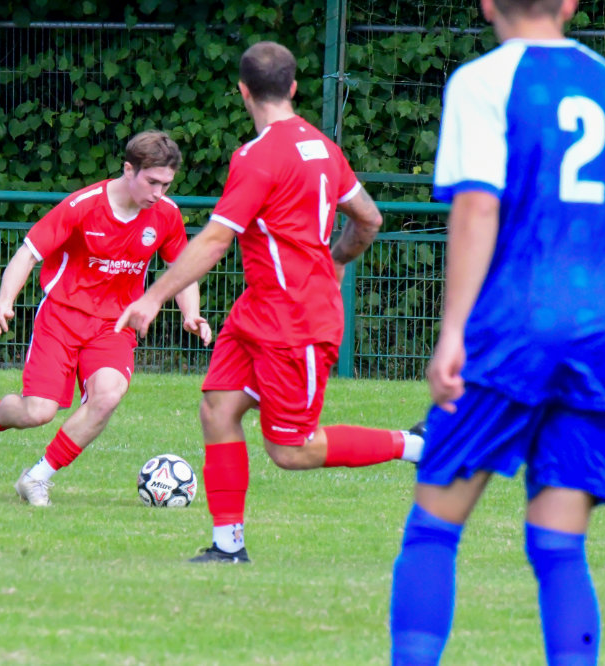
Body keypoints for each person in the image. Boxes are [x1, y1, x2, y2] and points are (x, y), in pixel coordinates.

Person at [387, 1, 605, 663]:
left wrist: (453, 330)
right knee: (559, 547)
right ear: (570, 3)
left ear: (489, 3)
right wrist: (588, 281)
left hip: (513, 326)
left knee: (433, 531)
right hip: (599, 333)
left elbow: (477, 205)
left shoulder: (484, 80)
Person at [116, 41, 424, 564]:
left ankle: (418, 447)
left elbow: (216, 239)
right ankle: (228, 546)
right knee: (217, 407)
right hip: (260, 310)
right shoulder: (323, 148)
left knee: (291, 449)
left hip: (296, 321)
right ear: (294, 87)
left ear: (243, 91)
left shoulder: (256, 157)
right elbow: (368, 219)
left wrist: (152, 297)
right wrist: (335, 261)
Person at [0, 130, 211, 506]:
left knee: (107, 395)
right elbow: (28, 253)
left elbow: (182, 270)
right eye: (152, 182)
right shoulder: (83, 206)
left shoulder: (166, 215)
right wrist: (3, 302)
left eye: (166, 184)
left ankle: (36, 478)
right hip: (61, 318)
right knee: (38, 412)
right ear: (128, 169)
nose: (158, 193)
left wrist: (192, 313)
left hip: (114, 325)